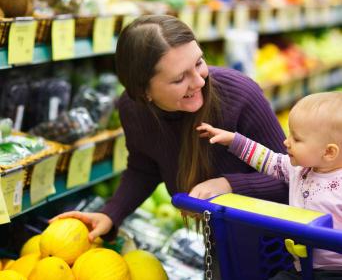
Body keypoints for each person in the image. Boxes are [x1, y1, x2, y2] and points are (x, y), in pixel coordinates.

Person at [51, 14, 287, 278]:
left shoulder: (240, 95)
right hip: (221, 239)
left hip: (277, 245)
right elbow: (144, 167)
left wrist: (228, 186)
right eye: (179, 79)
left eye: (199, 62)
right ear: (145, 92)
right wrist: (111, 214)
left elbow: (294, 179)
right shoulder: (133, 109)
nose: (199, 81)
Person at [197, 92, 342, 279]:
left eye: (296, 139)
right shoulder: (298, 170)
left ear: (329, 152)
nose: (286, 142)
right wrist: (233, 141)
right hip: (300, 266)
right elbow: (267, 159)